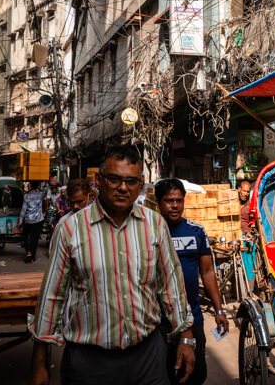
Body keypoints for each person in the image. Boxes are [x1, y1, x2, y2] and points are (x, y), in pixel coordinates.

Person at [29, 146, 195, 385]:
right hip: (89, 361)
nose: (123, 187)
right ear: (98, 180)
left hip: (148, 356)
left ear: (140, 184)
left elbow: (171, 286)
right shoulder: (70, 229)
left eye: (131, 180)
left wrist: (185, 338)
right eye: (115, 179)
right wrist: (39, 362)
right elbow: (52, 297)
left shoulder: (155, 224)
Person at [155, 179, 230, 385]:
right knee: (164, 375)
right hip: (157, 321)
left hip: (193, 317)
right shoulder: (149, 233)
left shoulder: (196, 231)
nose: (175, 205)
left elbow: (207, 271)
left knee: (196, 374)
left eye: (179, 200)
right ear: (158, 203)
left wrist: (219, 310)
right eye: (169, 201)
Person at [19, 181, 45, 264]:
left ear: (30, 186)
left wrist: (20, 221)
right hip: (38, 220)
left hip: (28, 220)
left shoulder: (26, 196)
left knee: (25, 236)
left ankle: (28, 251)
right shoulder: (41, 194)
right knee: (35, 239)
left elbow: (23, 210)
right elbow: (47, 190)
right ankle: (33, 258)